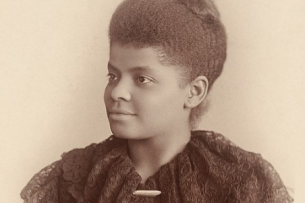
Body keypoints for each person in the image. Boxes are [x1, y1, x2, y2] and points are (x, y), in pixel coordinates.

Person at [21, 0, 293, 202]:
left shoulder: (243, 182)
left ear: (194, 91)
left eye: (142, 79)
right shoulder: (73, 179)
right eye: (113, 75)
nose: (117, 92)